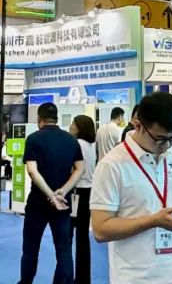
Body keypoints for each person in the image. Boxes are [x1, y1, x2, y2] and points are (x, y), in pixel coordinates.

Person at [90, 91, 172, 284]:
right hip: (136, 277)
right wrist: (152, 221)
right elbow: (100, 229)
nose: (166, 146)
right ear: (138, 125)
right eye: (160, 139)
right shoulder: (111, 166)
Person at [18, 102, 84, 284]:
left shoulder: (33, 139)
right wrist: (62, 191)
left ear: (39, 119)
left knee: (30, 250)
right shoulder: (71, 140)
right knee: (64, 251)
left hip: (37, 203)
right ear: (56, 118)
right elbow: (80, 168)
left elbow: (32, 171)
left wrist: (50, 194)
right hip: (63, 202)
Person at [69, 115, 97, 284]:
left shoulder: (76, 144)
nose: (70, 126)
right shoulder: (91, 146)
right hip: (88, 192)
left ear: (79, 127)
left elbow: (72, 168)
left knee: (67, 236)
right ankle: (83, 278)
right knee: (83, 238)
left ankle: (66, 275)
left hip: (76, 192)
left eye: (73, 123)